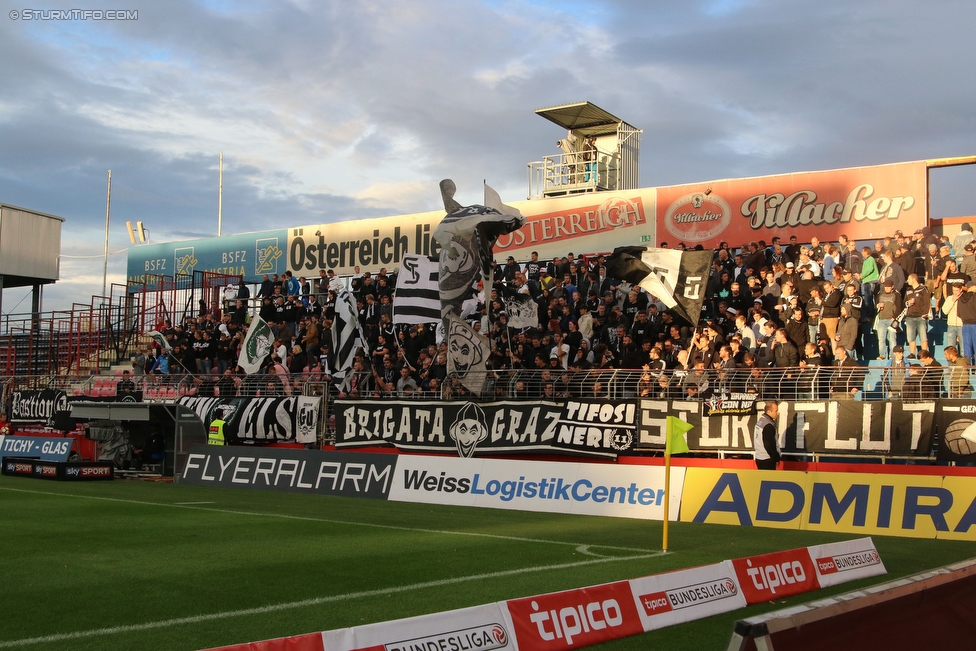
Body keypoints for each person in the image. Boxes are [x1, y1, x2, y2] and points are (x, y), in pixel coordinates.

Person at [753, 400, 780, 470]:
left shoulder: (761, 421)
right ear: (768, 412)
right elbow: (769, 445)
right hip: (767, 459)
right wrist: (776, 458)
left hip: (759, 457)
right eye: (776, 411)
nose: (778, 413)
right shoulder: (768, 425)